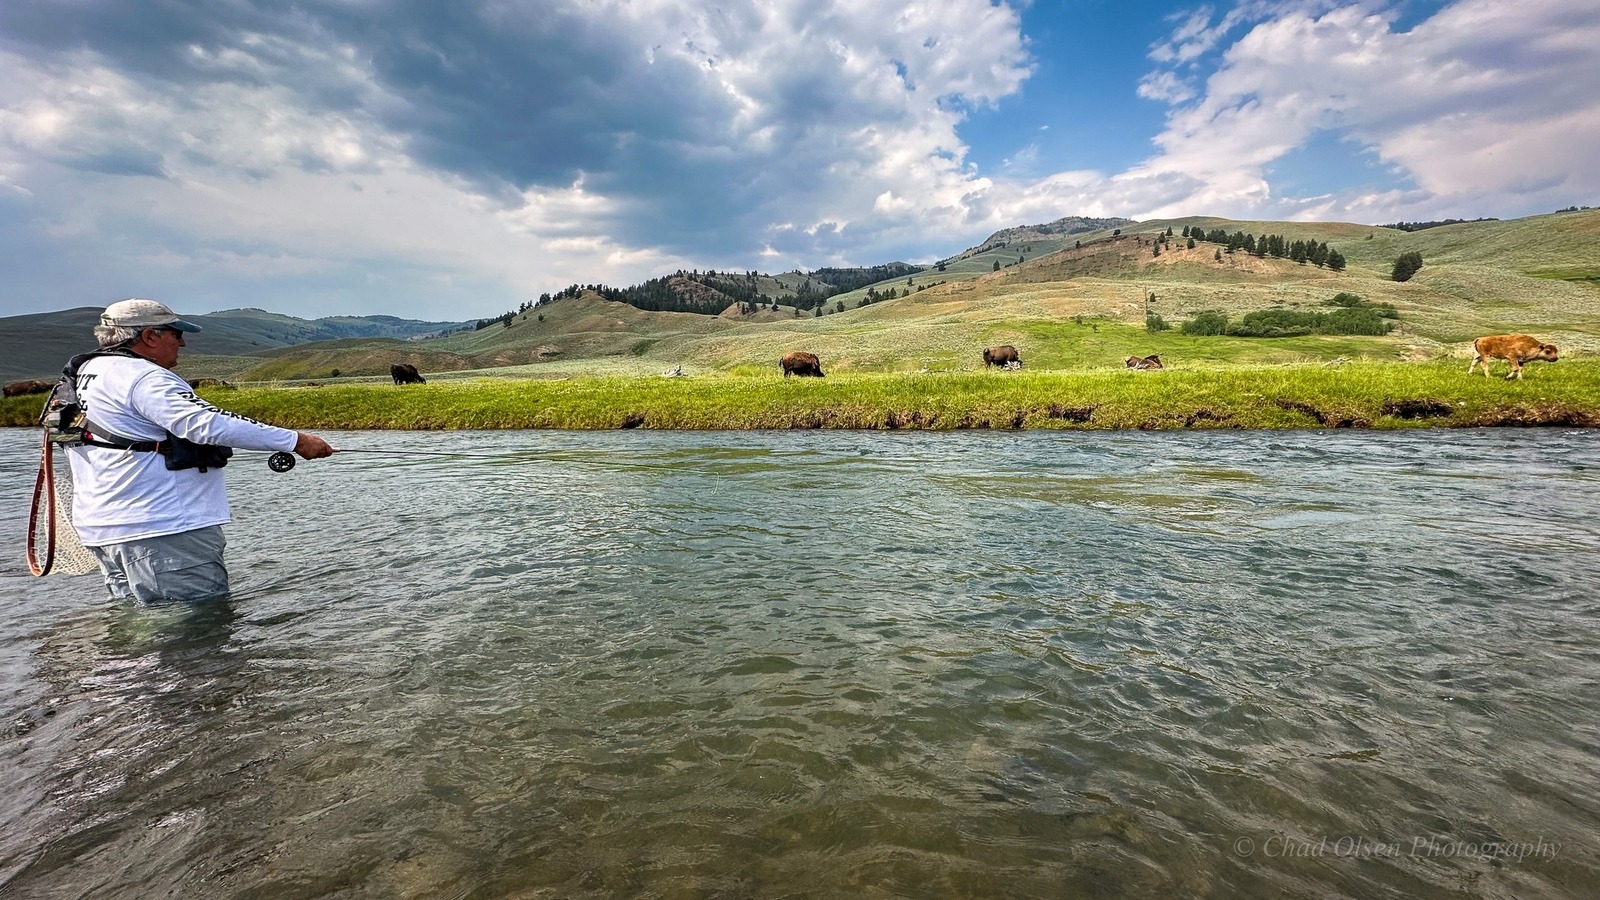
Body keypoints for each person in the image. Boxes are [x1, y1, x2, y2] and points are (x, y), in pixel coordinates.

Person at [63, 298, 335, 603]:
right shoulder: (144, 377)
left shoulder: (87, 372)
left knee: (143, 629)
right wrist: (295, 440)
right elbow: (204, 423)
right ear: (150, 336)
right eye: (175, 334)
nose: (183, 343)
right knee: (197, 625)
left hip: (106, 530)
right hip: (162, 529)